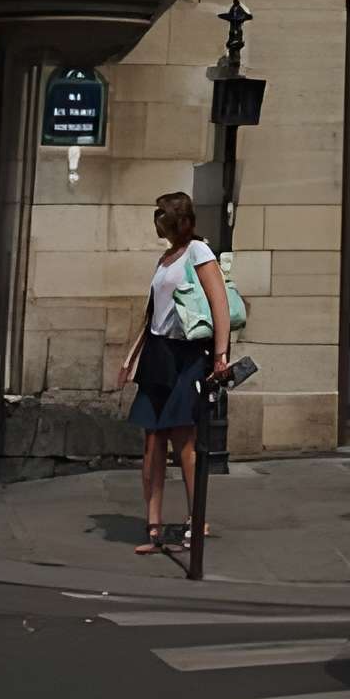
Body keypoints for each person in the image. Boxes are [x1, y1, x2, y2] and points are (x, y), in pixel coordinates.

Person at [118, 191, 229, 555]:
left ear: (178, 221)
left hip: (187, 355)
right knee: (152, 441)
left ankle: (198, 520)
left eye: (162, 221)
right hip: (157, 353)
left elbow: (219, 306)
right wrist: (130, 357)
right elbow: (153, 314)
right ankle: (154, 525)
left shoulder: (199, 252)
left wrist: (220, 356)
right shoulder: (165, 259)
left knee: (185, 442)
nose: (159, 227)